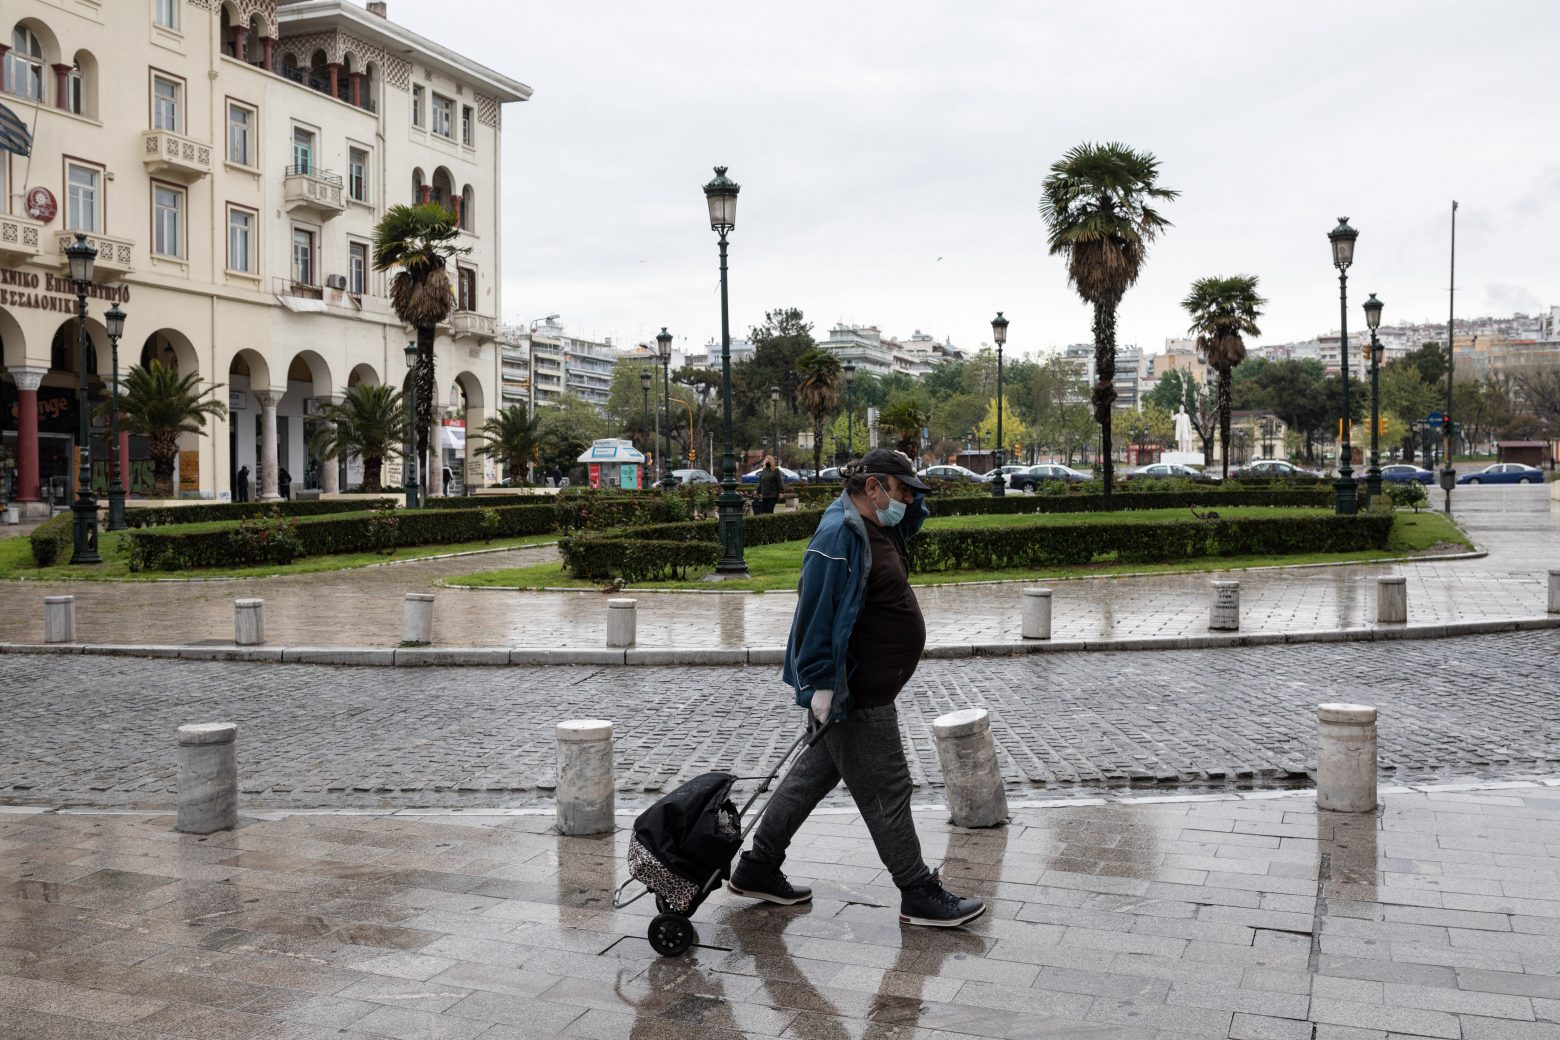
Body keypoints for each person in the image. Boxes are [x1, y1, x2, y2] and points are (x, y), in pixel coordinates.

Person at [727, 448, 987, 928]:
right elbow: (813, 616)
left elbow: (912, 519)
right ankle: (917, 892)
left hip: (863, 690)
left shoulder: (880, 525)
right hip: (855, 694)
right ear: (873, 488)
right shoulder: (836, 536)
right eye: (902, 490)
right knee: (889, 790)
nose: (908, 501)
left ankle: (757, 866)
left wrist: (911, 488)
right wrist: (822, 686)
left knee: (809, 779)